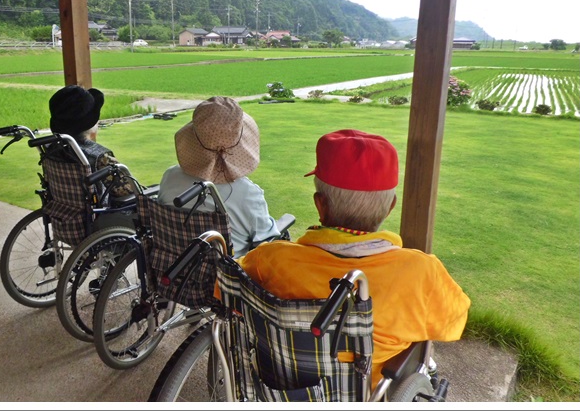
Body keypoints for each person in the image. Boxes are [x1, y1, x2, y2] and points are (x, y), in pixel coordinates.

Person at [236, 128, 471, 387]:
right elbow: (452, 323)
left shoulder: (271, 258)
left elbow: (226, 289)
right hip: (372, 393)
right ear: (391, 206)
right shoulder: (421, 271)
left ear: (320, 204)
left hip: (288, 389)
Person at [157, 96, 280, 257]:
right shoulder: (248, 194)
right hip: (226, 271)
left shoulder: (170, 177)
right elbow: (266, 239)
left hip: (171, 267)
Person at [48, 84, 134, 199]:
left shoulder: (52, 149)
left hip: (61, 206)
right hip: (101, 210)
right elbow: (128, 191)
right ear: (90, 122)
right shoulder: (100, 157)